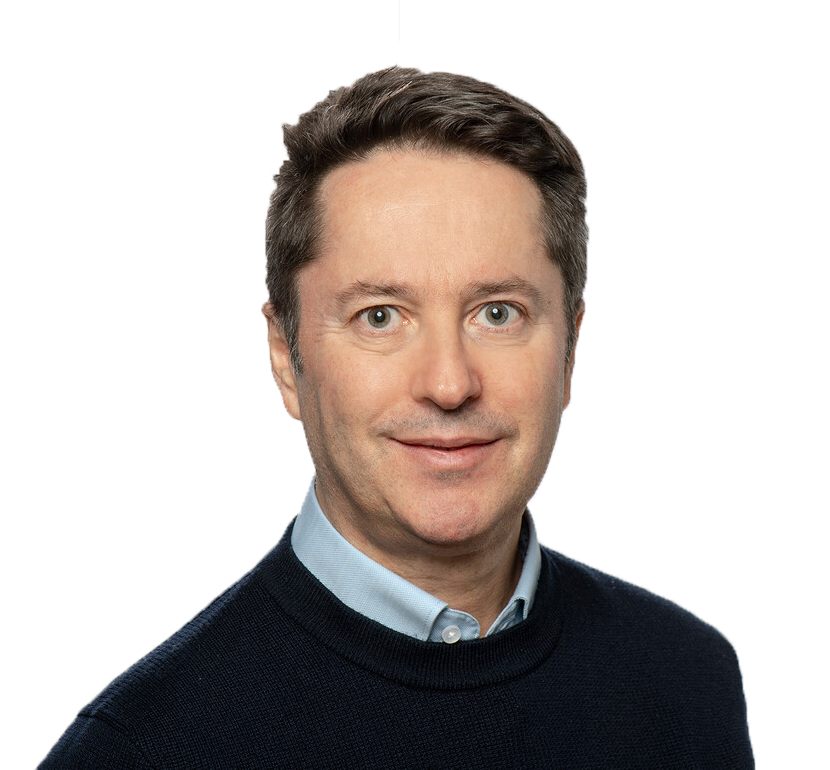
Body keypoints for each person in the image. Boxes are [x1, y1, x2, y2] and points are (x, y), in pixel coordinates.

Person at [40, 66, 753, 768]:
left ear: (569, 348)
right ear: (286, 358)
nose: (449, 384)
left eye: (497, 314)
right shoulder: (141, 751)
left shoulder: (689, 683)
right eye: (380, 316)